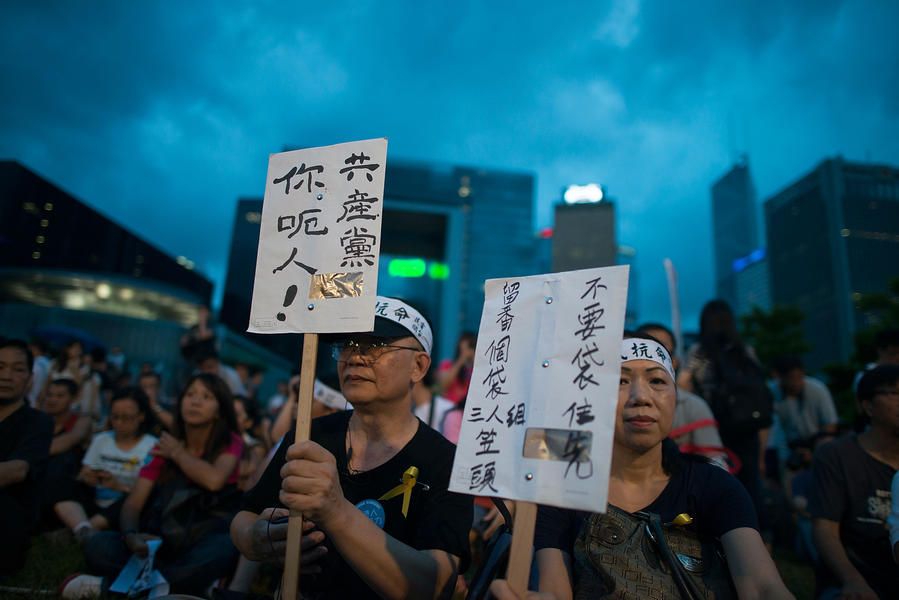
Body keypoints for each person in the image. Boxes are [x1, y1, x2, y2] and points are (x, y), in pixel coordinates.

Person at [491, 332, 792, 599]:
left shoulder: (714, 486)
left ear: (677, 398)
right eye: (620, 381)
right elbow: (554, 589)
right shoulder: (562, 493)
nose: (640, 397)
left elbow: (762, 585)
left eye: (657, 381)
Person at [231, 296, 473, 599]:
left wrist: (335, 511)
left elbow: (435, 585)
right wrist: (258, 540)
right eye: (348, 345)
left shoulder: (445, 462)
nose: (355, 357)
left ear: (419, 365)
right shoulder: (311, 435)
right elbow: (246, 516)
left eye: (376, 346)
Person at [66, 373, 244, 597]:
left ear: (219, 409)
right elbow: (134, 503)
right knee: (99, 545)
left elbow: (214, 480)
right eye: (190, 395)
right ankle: (175, 587)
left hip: (203, 539)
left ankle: (112, 587)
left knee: (224, 548)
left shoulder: (230, 442)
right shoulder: (164, 446)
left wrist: (177, 453)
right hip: (162, 542)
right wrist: (131, 535)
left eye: (206, 397)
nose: (195, 401)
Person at [808, 364, 899, 599]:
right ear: (867, 405)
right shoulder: (837, 456)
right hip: (854, 578)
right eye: (895, 393)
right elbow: (824, 528)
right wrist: (852, 580)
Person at [677, 300, 772, 522]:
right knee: (750, 489)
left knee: (714, 485)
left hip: (711, 432)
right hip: (747, 432)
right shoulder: (746, 351)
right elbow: (761, 399)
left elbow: (683, 388)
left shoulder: (699, 353)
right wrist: (762, 452)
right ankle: (758, 541)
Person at [54, 387, 158, 540]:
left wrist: (118, 486)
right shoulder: (101, 440)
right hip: (95, 499)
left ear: (141, 416)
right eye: (115, 417)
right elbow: (84, 473)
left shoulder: (151, 446)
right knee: (62, 483)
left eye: (127, 417)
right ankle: (85, 529)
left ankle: (80, 528)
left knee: (136, 502)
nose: (119, 423)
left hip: (126, 505)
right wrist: (91, 477)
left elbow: (145, 493)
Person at [638, 322, 728, 468]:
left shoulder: (693, 405)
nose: (650, 356)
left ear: (674, 362)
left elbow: (717, 463)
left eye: (661, 351)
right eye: (641, 348)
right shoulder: (613, 404)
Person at [0, 339, 53, 575]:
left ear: (30, 379)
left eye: (17, 369)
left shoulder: (38, 422)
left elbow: (18, 470)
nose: (7, 376)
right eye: (0, 367)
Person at [41, 377, 93, 531]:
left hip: (72, 483)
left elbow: (70, 440)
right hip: (44, 481)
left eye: (60, 396)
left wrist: (33, 452)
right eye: (50, 395)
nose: (52, 400)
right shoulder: (40, 421)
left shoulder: (82, 420)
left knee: (62, 460)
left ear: (73, 398)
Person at [770, 355, 839, 449]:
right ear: (779, 377)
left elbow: (830, 424)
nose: (796, 383)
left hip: (816, 440)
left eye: (799, 377)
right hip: (785, 445)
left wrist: (813, 447)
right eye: (791, 378)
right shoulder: (771, 392)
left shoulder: (817, 389)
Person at [436, 331, 476, 404]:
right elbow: (443, 385)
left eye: (471, 346)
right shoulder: (446, 365)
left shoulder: (476, 370)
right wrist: (461, 359)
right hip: (449, 406)